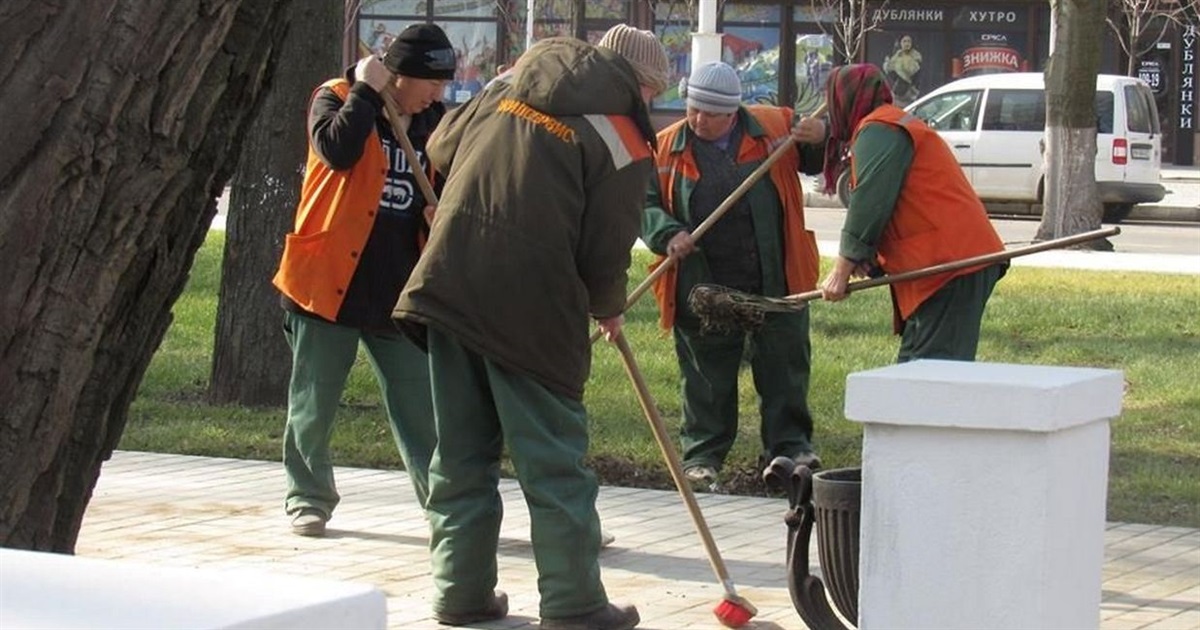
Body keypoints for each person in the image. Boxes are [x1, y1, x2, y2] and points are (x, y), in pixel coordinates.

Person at [392, 24, 669, 630]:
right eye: (652, 94)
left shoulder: (507, 87)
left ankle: (460, 595)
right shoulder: (621, 133)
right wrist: (607, 305)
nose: (649, 106)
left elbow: (439, 150)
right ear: (639, 85)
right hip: (533, 301)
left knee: (460, 452)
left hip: (449, 281)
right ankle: (573, 603)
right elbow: (609, 240)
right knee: (552, 458)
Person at [271, 23, 455, 538]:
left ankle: (443, 506)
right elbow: (336, 151)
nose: (437, 94)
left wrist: (440, 212)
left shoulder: (434, 122)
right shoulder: (335, 99)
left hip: (397, 288)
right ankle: (307, 498)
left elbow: (452, 179)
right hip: (328, 282)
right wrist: (367, 92)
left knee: (420, 404)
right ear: (401, 75)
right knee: (314, 401)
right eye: (431, 83)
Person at [640, 61, 827, 491]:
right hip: (704, 283)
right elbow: (642, 203)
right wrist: (668, 233)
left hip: (774, 274)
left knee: (784, 366)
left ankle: (790, 446)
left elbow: (815, 155)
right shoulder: (665, 147)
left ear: (733, 112)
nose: (700, 120)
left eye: (711, 113)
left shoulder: (773, 127)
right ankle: (703, 457)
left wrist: (818, 138)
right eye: (693, 110)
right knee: (706, 375)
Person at [817, 64, 1006, 362]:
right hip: (952, 262)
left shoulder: (880, 129)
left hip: (951, 264)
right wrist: (872, 261)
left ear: (844, 100)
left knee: (929, 375)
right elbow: (898, 203)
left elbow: (870, 201)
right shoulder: (889, 124)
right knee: (922, 371)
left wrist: (841, 270)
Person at [882, 34, 922, 105]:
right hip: (896, 93)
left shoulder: (916, 57)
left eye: (909, 41)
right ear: (900, 43)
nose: (907, 44)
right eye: (904, 41)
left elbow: (914, 72)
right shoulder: (894, 56)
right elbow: (888, 70)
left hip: (910, 94)